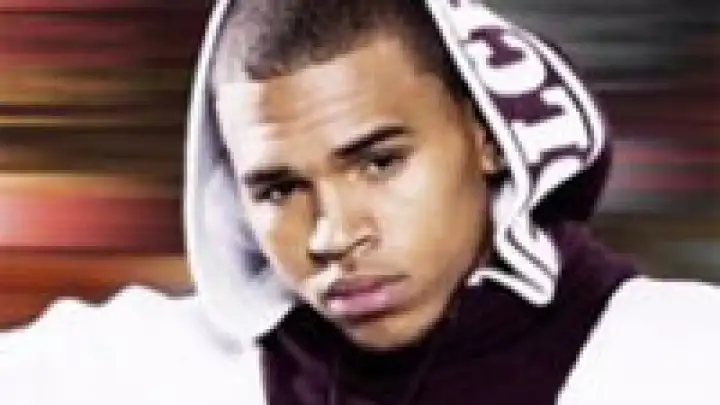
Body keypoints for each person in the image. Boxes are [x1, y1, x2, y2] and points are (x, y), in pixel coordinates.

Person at [1, 0, 719, 404]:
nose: (332, 234)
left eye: (379, 163)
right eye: (280, 189)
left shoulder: (685, 360)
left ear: (488, 136)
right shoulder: (139, 368)